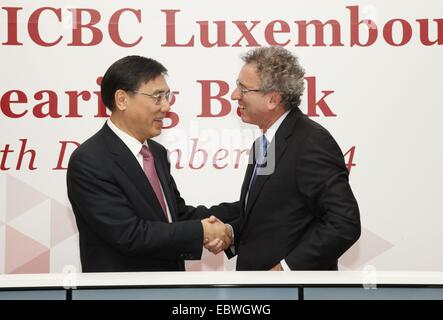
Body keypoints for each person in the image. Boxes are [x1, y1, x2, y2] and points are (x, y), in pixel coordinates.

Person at [66, 55, 235, 272]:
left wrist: (247, 207)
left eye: (167, 96)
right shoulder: (90, 160)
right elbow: (130, 234)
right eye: (157, 97)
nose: (166, 106)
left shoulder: (156, 152)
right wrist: (202, 231)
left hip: (169, 289)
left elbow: (176, 216)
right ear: (122, 100)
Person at [207, 46, 361, 271]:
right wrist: (231, 233)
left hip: (295, 293)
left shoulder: (311, 142)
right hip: (261, 292)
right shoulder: (262, 145)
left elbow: (344, 223)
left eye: (243, 88)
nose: (234, 95)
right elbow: (271, 215)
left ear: (272, 99)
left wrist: (286, 270)